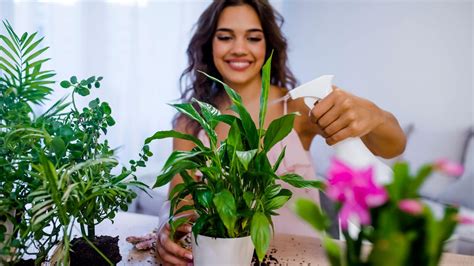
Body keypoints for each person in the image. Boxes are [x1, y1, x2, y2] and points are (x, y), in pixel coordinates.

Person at [147, 0, 407, 264]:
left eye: (253, 38)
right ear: (208, 44)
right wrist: (164, 228)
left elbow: (393, 147)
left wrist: (375, 115)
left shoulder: (298, 107)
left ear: (268, 44)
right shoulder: (191, 121)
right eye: (225, 37)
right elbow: (179, 202)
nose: (239, 49)